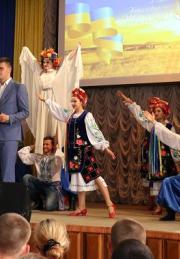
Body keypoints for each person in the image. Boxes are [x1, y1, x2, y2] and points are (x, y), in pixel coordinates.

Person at [40, 88, 117, 218]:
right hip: (74, 154)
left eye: (75, 101)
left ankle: (110, 204)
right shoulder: (70, 115)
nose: (73, 103)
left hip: (85, 153)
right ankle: (81, 208)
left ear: (82, 101)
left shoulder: (87, 116)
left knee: (96, 177)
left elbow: (95, 132)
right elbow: (59, 110)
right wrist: (46, 101)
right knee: (79, 179)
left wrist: (105, 148)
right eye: (72, 101)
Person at [119, 92, 180, 214]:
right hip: (154, 158)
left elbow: (174, 143)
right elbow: (140, 116)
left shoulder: (169, 127)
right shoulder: (150, 124)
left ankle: (168, 205)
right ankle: (158, 205)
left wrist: (179, 159)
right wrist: (131, 104)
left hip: (166, 159)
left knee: (165, 181)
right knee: (155, 182)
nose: (156, 113)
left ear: (165, 112)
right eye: (155, 111)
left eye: (159, 111)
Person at [19, 46, 82, 153]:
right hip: (42, 101)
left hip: (52, 99)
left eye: (48, 62)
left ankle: (55, 148)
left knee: (53, 123)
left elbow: (66, 64)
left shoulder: (56, 74)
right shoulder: (40, 73)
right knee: (42, 123)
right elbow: (33, 62)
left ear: (53, 62)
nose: (45, 64)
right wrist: (26, 50)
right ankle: (42, 149)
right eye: (44, 62)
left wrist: (74, 52)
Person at [0, 57, 29, 183]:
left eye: (1, 68)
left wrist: (9, 118)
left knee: (7, 174)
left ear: (9, 69)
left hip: (10, 136)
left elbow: (25, 112)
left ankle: (7, 197)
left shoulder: (18, 87)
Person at [18, 137, 64, 211]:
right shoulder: (38, 156)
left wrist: (56, 148)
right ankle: (38, 201)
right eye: (43, 144)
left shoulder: (56, 157)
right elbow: (22, 154)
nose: (44, 146)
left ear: (52, 146)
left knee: (49, 207)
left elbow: (61, 156)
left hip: (52, 186)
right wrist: (34, 146)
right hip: (40, 183)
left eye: (47, 144)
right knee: (27, 177)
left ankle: (54, 200)